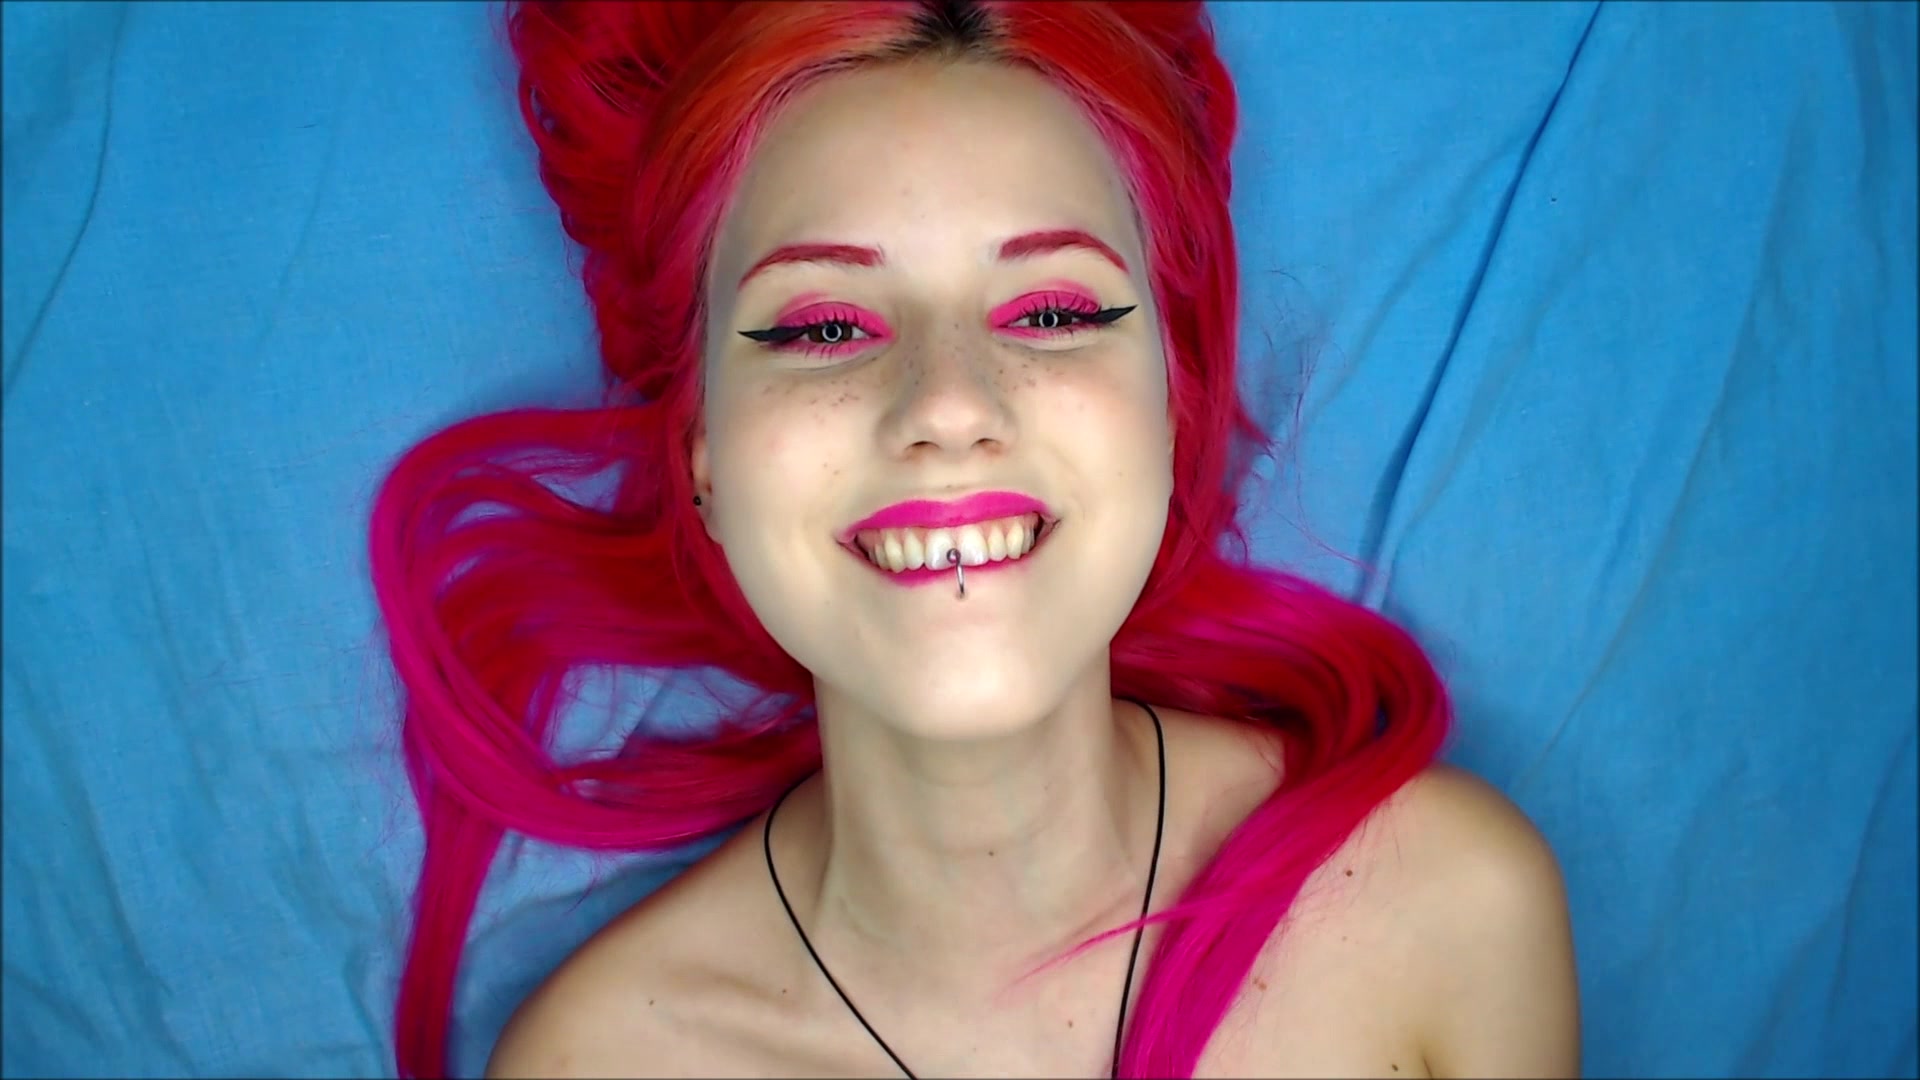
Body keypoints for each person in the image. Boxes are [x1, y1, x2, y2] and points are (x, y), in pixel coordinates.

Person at [368, 2, 1581, 1076]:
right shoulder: (597, 1064)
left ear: (1173, 406)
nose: (948, 406)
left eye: (1051, 311)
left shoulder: (1451, 909)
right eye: (822, 328)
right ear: (704, 464)